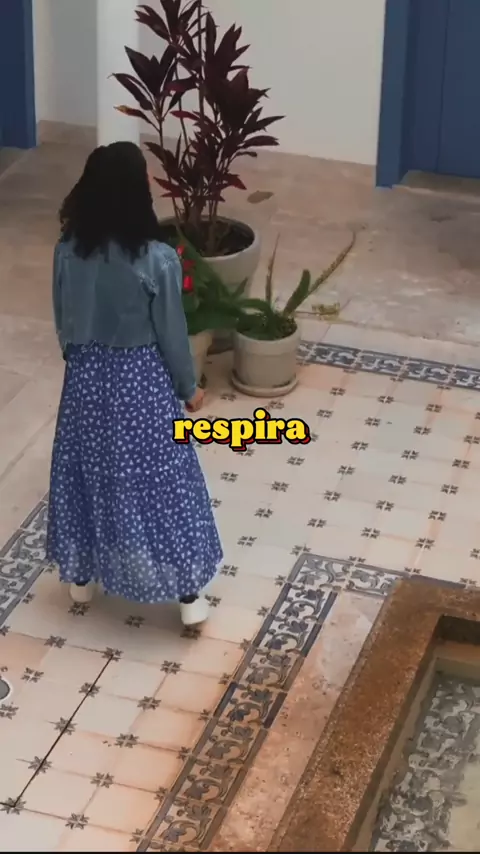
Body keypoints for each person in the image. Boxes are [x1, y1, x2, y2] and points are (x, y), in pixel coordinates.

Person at [46, 141, 222, 628]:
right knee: (164, 481)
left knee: (87, 472)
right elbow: (172, 335)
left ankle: (82, 579)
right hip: (140, 383)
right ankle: (188, 596)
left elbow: (63, 321)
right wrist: (188, 389)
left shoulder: (67, 252)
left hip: (85, 381)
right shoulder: (157, 260)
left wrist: (81, 363)